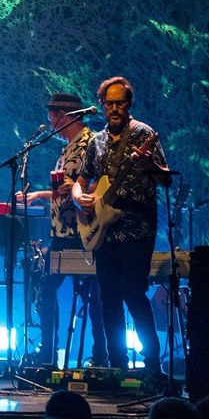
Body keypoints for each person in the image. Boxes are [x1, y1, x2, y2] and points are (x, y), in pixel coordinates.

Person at [72, 75, 170, 382]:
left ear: (129, 104)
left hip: (136, 229)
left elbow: (166, 178)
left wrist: (149, 166)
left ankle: (152, 362)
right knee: (108, 297)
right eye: (109, 103)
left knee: (133, 293)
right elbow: (82, 179)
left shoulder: (144, 134)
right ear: (101, 105)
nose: (115, 108)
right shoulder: (97, 141)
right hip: (104, 232)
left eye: (121, 102)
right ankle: (117, 363)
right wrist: (79, 199)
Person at [25, 92, 107, 367]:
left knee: (90, 294)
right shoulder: (67, 147)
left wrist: (76, 192)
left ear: (62, 116)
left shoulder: (88, 143)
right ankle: (49, 352)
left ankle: (99, 355)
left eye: (51, 119)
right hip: (61, 232)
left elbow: (97, 183)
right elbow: (66, 188)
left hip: (80, 231)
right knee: (50, 288)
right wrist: (39, 195)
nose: (49, 125)